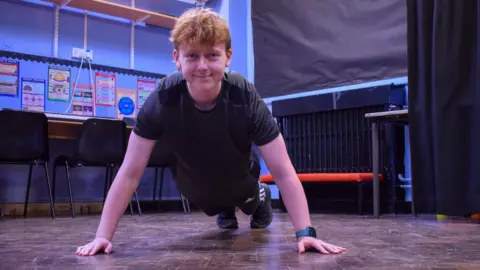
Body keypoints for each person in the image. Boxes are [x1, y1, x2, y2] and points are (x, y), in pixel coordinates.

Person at [75, 7, 346, 256]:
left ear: (228, 57)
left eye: (212, 55)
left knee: (241, 192)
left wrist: (306, 232)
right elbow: (130, 172)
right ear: (177, 59)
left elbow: (284, 172)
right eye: (192, 56)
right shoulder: (163, 97)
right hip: (194, 179)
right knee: (209, 200)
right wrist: (103, 236)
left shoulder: (244, 94)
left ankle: (257, 198)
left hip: (238, 173)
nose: (202, 65)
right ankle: (223, 206)